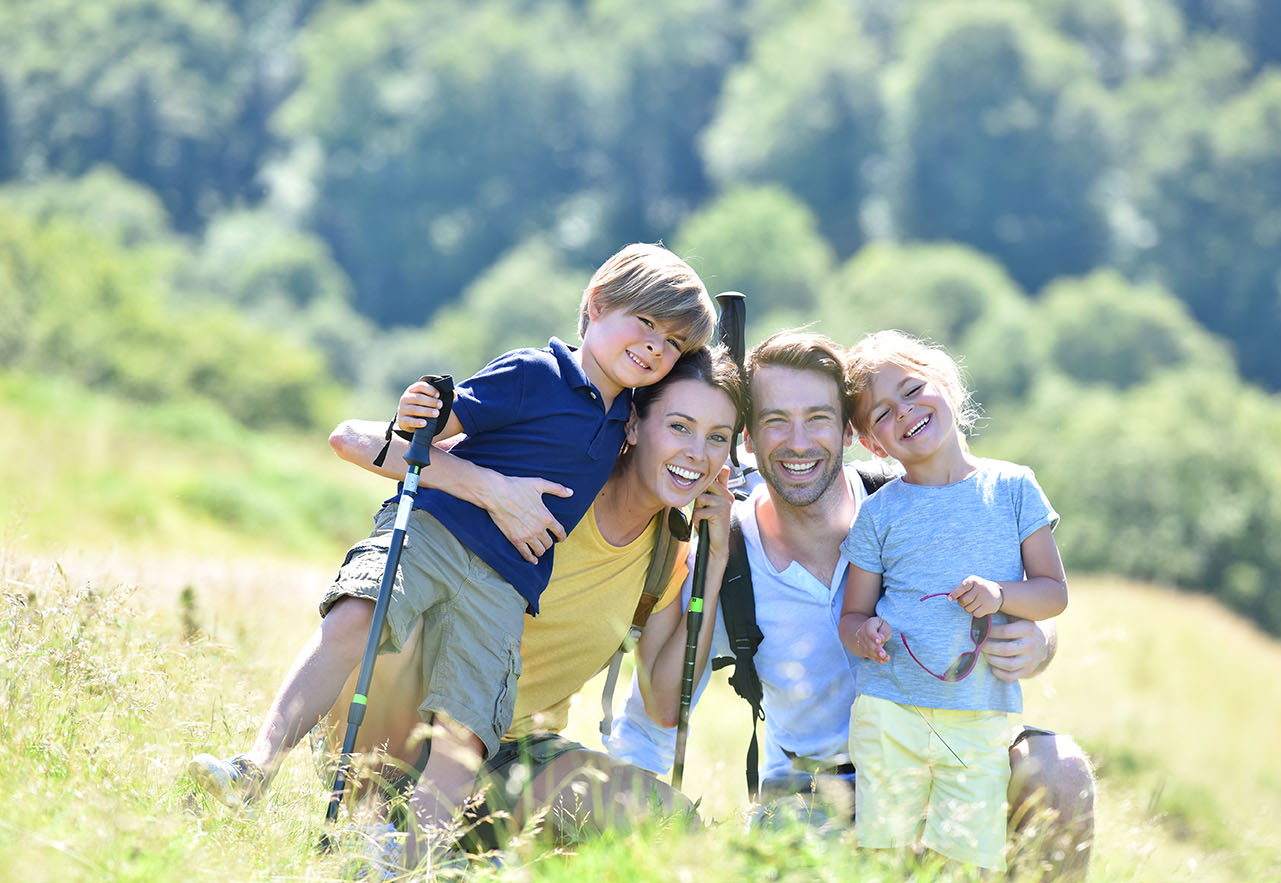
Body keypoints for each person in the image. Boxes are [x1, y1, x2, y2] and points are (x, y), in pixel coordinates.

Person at [187, 243, 715, 863]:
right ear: (594, 306)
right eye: (645, 323)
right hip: (439, 534)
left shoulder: (629, 418)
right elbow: (423, 432)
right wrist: (437, 432)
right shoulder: (533, 373)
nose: (656, 346)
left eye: (674, 342)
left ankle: (411, 860)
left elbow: (691, 436)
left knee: (466, 726)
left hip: (504, 582)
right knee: (359, 615)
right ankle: (257, 765)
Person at [607, 330, 1094, 879]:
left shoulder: (913, 497)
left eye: (818, 418)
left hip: (945, 751)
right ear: (747, 437)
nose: (798, 442)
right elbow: (660, 710)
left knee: (1061, 772)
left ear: (848, 431)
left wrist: (1039, 641)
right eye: (775, 421)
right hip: (812, 793)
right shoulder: (729, 549)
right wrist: (714, 566)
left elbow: (1026, 594)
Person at [323, 345, 745, 856]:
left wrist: (715, 562)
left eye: (717, 438)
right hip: (412, 727)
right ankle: (369, 823)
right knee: (388, 618)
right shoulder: (551, 477)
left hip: (515, 754)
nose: (697, 453)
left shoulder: (668, 553)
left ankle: (461, 844)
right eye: (679, 427)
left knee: (672, 824)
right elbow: (357, 439)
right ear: (632, 424)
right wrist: (489, 488)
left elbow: (662, 701)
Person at [838, 329, 1068, 871]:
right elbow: (853, 613)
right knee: (885, 856)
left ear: (946, 382)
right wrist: (862, 634)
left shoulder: (1013, 488)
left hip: (980, 712)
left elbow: (1053, 594)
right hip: (889, 707)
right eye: (883, 414)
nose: (905, 412)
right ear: (874, 445)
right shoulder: (879, 513)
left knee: (965, 858)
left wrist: (1000, 594)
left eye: (914, 389)